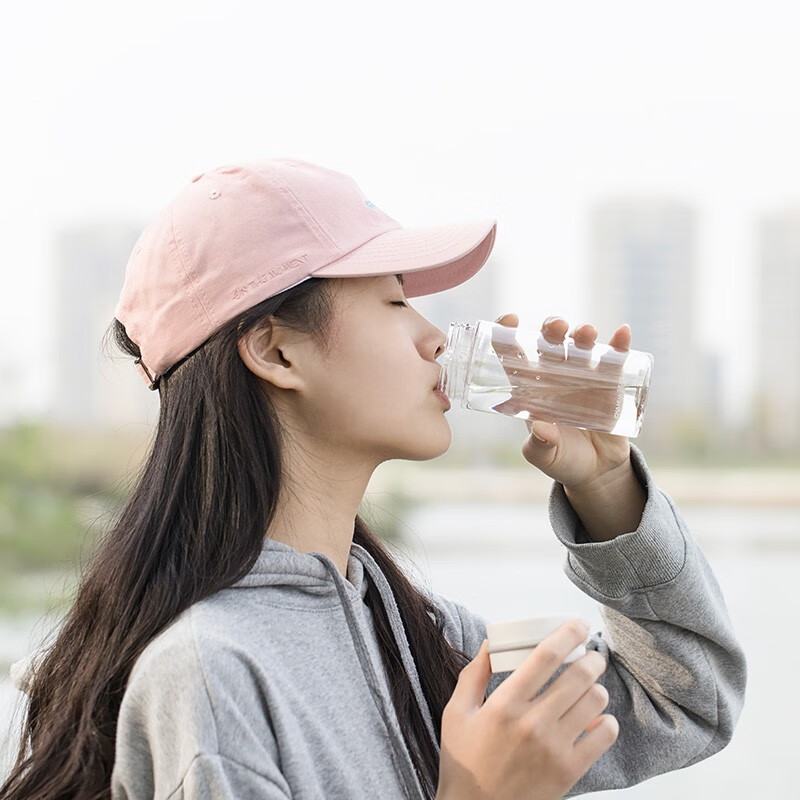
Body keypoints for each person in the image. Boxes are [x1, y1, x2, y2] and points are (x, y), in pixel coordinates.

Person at [2, 158, 746, 800]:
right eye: (394, 301)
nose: (433, 336)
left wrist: (606, 487)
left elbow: (688, 698)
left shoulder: (421, 636)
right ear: (276, 353)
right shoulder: (210, 677)